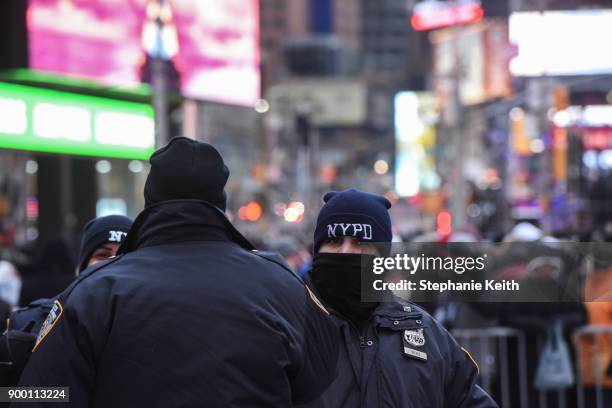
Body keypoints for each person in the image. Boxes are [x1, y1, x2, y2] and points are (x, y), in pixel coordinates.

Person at [17, 137, 339, 407]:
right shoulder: (281, 284)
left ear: (150, 200)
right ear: (220, 203)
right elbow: (321, 378)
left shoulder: (97, 288)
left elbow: (40, 396)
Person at [300, 188, 498, 407]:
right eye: (334, 241)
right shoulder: (290, 323)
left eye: (359, 243)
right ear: (317, 249)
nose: (346, 252)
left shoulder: (425, 332)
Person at [0, 215, 132, 386]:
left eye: (124, 254)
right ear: (83, 265)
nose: (113, 263)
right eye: (102, 255)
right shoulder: (35, 322)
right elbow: (8, 397)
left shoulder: (149, 324)